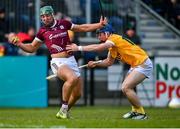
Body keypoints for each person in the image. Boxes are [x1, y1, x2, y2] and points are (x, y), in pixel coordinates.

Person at [8, 5, 107, 119]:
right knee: (72, 78)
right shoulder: (42, 31)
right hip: (57, 62)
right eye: (43, 17)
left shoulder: (64, 23)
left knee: (77, 94)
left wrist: (99, 25)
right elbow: (31, 48)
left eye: (47, 16)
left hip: (71, 60)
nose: (45, 18)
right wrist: (20, 44)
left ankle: (63, 112)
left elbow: (82, 28)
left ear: (52, 15)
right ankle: (64, 108)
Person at [66, 24, 153, 120]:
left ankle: (141, 113)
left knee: (126, 87)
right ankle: (135, 111)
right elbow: (108, 62)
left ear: (107, 33)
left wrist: (78, 48)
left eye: (100, 34)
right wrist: (96, 63)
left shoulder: (113, 39)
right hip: (135, 65)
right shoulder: (112, 46)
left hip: (142, 63)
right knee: (126, 88)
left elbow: (99, 47)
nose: (98, 36)